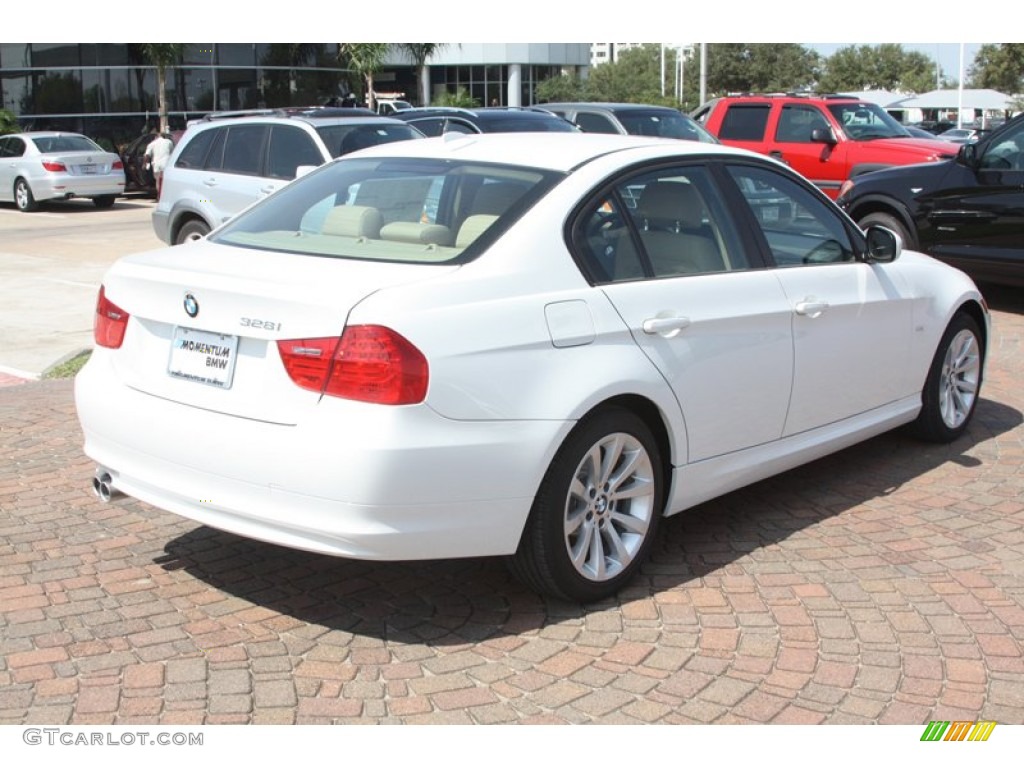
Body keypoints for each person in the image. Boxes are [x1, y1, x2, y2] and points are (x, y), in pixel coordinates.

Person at [144, 130, 174, 197]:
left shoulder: (152, 144)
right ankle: (166, 195)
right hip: (166, 164)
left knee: (158, 180)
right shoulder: (169, 142)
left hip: (156, 164)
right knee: (165, 180)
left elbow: (147, 155)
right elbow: (172, 153)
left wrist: (145, 164)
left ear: (156, 137)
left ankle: (159, 195)